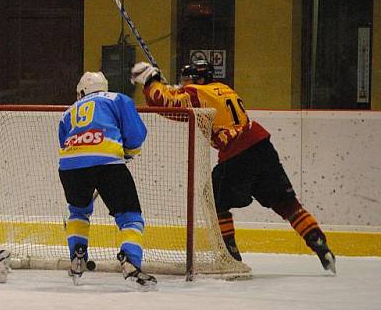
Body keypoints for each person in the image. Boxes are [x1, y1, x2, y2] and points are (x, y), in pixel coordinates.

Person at [131, 59, 336, 273]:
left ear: (198, 79)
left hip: (237, 154)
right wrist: (176, 90)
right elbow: (190, 101)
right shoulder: (224, 88)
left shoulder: (195, 92)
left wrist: (151, 80)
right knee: (287, 204)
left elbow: (166, 103)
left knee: (215, 200)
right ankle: (319, 244)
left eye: (188, 79)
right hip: (262, 148)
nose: (185, 82)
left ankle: (230, 254)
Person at [57, 71, 157, 290]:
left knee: (78, 211)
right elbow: (135, 134)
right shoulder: (117, 99)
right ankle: (131, 262)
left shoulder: (68, 111)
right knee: (130, 217)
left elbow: (64, 140)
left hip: (70, 166)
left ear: (81, 91)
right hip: (108, 163)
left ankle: (77, 255)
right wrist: (128, 151)